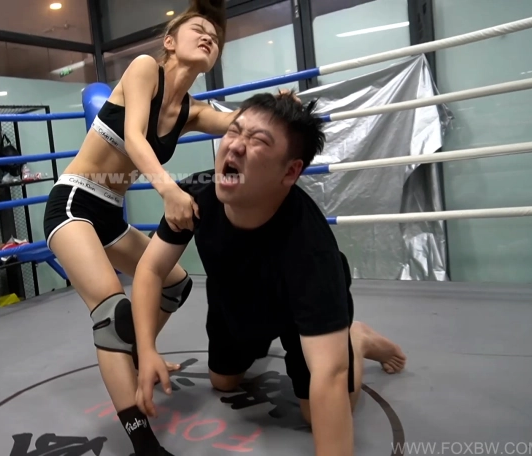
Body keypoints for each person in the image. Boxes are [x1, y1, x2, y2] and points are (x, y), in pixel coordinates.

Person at [43, 1, 294, 454]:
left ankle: (139, 356)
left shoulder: (190, 112)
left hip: (108, 215)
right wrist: (168, 190)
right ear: (170, 41)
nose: (209, 37)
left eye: (215, 36)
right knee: (112, 315)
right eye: (198, 29)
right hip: (74, 203)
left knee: (175, 285)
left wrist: (278, 111)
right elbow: (135, 137)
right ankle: (144, 443)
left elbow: (238, 123)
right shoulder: (145, 70)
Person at [130, 93, 408, 456]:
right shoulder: (195, 198)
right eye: (234, 131)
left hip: (297, 311)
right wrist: (147, 348)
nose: (235, 145)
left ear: (290, 172)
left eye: (258, 140)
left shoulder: (311, 251)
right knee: (222, 382)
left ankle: (354, 338)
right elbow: (151, 269)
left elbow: (328, 376)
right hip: (234, 301)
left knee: (316, 411)